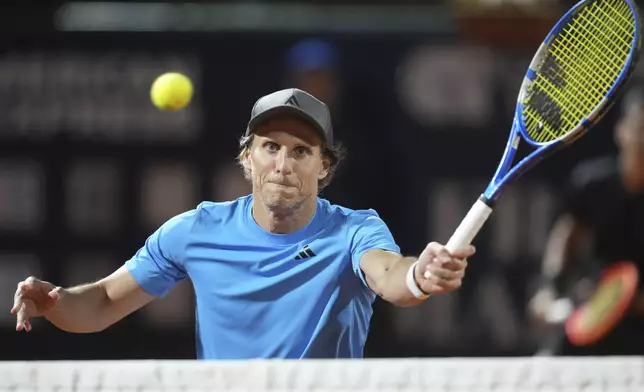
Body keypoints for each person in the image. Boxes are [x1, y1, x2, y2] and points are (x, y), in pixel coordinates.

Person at [11, 88, 474, 359]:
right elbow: (103, 302)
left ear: (324, 168)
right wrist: (56, 301)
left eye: (301, 151)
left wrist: (421, 274)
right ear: (247, 158)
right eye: (270, 146)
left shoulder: (355, 231)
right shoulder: (196, 230)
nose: (283, 163)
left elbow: (391, 276)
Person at [529, 83, 644, 355]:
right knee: (546, 365)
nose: (642, 140)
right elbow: (566, 238)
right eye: (639, 128)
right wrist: (550, 289)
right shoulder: (592, 185)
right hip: (592, 308)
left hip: (638, 323)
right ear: (621, 132)